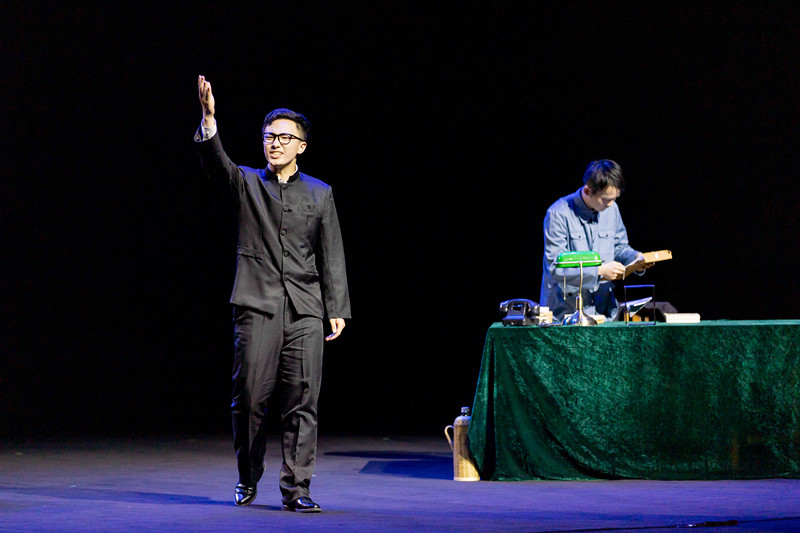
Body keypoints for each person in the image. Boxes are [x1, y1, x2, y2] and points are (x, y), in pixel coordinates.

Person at [195, 75, 351, 513]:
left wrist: (336, 307)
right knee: (248, 397)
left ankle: (297, 488)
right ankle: (248, 475)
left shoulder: (320, 193)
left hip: (305, 309)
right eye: (269, 136)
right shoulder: (247, 182)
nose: (275, 143)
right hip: (256, 304)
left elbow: (331, 252)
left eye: (284, 138)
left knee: (303, 399)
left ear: (302, 146)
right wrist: (209, 120)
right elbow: (216, 164)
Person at [540, 159, 651, 322]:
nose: (611, 204)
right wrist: (599, 271)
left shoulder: (612, 209)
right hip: (566, 314)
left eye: (615, 198)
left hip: (603, 311)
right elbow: (556, 269)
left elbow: (618, 247)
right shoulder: (558, 214)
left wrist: (635, 259)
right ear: (587, 191)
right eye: (606, 199)